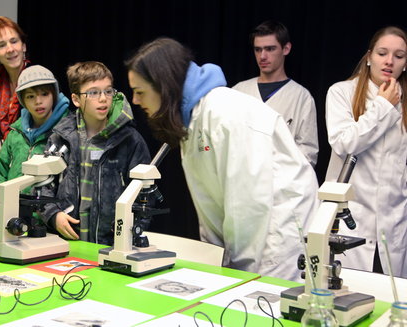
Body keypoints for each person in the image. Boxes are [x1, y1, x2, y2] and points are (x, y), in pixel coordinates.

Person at [126, 37, 319, 281]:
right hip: (253, 235)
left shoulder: (225, 114)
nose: (135, 100)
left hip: (278, 238)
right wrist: (215, 261)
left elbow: (249, 205)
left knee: (264, 309)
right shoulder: (194, 119)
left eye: (140, 91)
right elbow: (210, 204)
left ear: (163, 85)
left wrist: (233, 272)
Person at [39, 61, 152, 245]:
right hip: (67, 243)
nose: (103, 98)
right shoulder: (60, 137)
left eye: (108, 91)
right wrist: (53, 215)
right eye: (93, 92)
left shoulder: (130, 139)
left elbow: (146, 194)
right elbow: (43, 185)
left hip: (113, 245)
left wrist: (130, 232)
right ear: (76, 99)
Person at [325, 26, 407, 278]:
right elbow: (345, 143)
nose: (389, 61)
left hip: (393, 228)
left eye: (399, 55)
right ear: (369, 56)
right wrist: (383, 105)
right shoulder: (341, 92)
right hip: (351, 224)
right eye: (382, 53)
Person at [233, 20, 319, 168]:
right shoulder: (239, 91)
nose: (263, 56)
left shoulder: (301, 97)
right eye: (258, 50)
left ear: (286, 48)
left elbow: (308, 153)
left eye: (270, 49)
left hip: (280, 184)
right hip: (240, 179)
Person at [0, 65, 70, 213]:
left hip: (49, 223)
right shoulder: (15, 134)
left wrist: (52, 218)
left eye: (44, 94)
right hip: (10, 216)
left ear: (54, 95)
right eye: (31, 96)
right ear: (23, 100)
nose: (38, 101)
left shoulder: (67, 132)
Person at [0, 16, 32, 202]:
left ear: (23, 45)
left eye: (14, 41)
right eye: (1, 45)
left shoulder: (38, 78)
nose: (10, 49)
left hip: (29, 166)